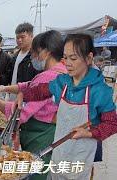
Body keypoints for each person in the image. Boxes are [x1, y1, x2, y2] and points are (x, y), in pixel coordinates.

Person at [17, 34, 117, 179]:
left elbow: (112, 123)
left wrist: (88, 133)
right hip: (59, 151)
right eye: (65, 57)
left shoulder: (99, 91)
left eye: (74, 58)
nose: (68, 63)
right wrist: (23, 94)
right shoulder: (63, 82)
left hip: (80, 156)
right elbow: (41, 91)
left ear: (89, 58)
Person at [0, 30, 66, 180]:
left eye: (35, 52)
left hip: (41, 135)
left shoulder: (48, 77)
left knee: (36, 173)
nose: (34, 57)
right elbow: (29, 85)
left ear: (46, 52)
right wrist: (4, 88)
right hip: (50, 132)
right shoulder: (62, 71)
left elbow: (20, 114)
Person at [7, 23, 40, 100]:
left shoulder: (36, 57)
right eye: (17, 38)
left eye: (22, 37)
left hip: (27, 100)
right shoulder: (14, 56)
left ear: (31, 36)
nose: (19, 40)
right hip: (13, 98)